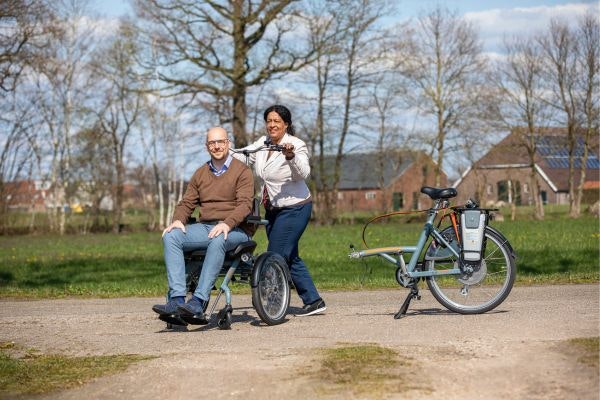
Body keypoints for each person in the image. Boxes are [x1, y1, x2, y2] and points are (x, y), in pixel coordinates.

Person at [152, 126, 255, 326]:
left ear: (228, 144)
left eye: (220, 142)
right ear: (206, 146)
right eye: (212, 143)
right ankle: (177, 300)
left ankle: (198, 301)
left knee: (218, 238)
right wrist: (178, 220)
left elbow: (245, 205)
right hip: (206, 227)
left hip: (236, 230)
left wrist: (227, 224)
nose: (216, 146)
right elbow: (187, 203)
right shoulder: (200, 173)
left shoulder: (242, 171)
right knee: (171, 236)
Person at [233, 105, 326, 316]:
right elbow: (245, 156)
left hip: (295, 208)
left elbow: (303, 173)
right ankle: (314, 301)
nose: (272, 125)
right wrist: (225, 148)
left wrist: (290, 157)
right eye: (269, 121)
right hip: (273, 210)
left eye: (277, 121)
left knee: (274, 255)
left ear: (286, 124)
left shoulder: (296, 145)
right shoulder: (263, 144)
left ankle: (271, 302)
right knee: (290, 255)